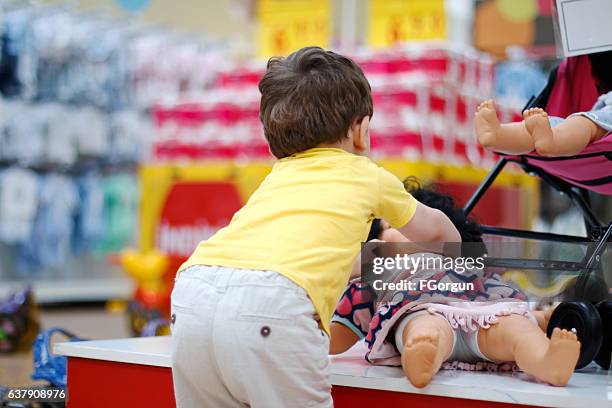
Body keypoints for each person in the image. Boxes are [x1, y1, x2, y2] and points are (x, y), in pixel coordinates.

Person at [170, 47, 460, 408]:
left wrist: (378, 259)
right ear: (362, 129)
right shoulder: (366, 174)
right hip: (274, 306)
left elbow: (319, 258)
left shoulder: (278, 177)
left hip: (193, 294)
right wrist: (458, 251)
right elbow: (438, 235)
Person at [330, 179, 579, 388]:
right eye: (393, 226)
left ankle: (546, 361)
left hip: (482, 313)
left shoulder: (460, 262)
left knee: (515, 328)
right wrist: (317, 336)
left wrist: (538, 318)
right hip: (419, 308)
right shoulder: (381, 270)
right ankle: (421, 358)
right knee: (426, 329)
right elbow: (347, 320)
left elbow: (491, 293)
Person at [474, 50, 612, 157]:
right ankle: (500, 135)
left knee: (582, 124)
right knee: (552, 125)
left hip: (596, 120)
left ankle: (549, 141)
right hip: (596, 118)